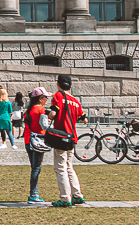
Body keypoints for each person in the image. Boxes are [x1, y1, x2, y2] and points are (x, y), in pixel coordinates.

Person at [46, 75, 84, 207]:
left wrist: (49, 116)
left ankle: (65, 198)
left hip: (61, 136)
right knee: (69, 166)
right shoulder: (75, 100)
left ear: (58, 85)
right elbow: (84, 119)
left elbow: (54, 113)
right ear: (71, 86)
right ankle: (77, 195)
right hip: (72, 136)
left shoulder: (58, 96)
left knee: (60, 168)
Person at [22, 88, 49, 203]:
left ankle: (34, 194)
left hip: (28, 140)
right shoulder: (41, 110)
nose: (47, 99)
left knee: (34, 167)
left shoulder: (29, 110)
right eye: (45, 97)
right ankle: (33, 194)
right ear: (40, 98)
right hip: (38, 140)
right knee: (36, 168)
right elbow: (44, 126)